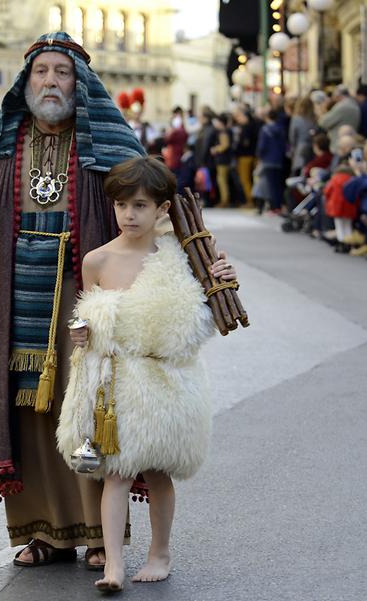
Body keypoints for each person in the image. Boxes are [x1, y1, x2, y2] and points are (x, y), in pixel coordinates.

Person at [0, 31, 236, 570]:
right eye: (41, 72)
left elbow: (154, 210)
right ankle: (43, 531)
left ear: (81, 83)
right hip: (11, 295)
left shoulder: (111, 146)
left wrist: (204, 263)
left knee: (92, 405)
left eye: (62, 72)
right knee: (27, 407)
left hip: (86, 292)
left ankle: (102, 537)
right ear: (26, 81)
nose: (50, 81)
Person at [58, 156, 221, 591]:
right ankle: (113, 565)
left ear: (163, 209)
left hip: (166, 383)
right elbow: (90, 320)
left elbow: (200, 318)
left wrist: (222, 279)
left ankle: (159, 553)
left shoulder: (181, 256)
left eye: (141, 205)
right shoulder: (96, 260)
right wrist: (84, 335)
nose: (130, 215)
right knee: (116, 473)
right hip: (117, 387)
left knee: (159, 474)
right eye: (123, 205)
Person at [256, 107, 287, 214]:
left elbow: (262, 146)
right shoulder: (281, 129)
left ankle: (273, 207)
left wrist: (259, 156)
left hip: (267, 159)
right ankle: (279, 205)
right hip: (278, 159)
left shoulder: (265, 129)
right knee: (277, 184)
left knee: (269, 185)